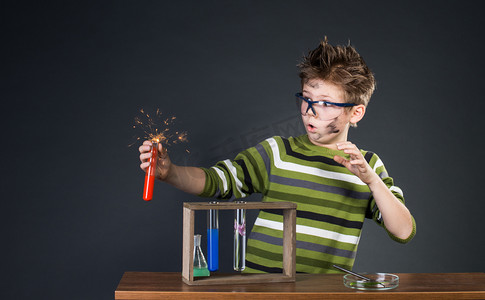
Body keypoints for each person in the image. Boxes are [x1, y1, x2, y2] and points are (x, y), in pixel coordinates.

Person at [139, 37, 416, 274]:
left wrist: (372, 182)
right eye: (306, 98)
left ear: (355, 112)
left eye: (325, 104)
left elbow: (403, 231)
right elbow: (217, 181)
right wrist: (170, 172)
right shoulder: (278, 152)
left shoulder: (366, 167)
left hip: (321, 294)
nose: (309, 110)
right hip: (259, 289)